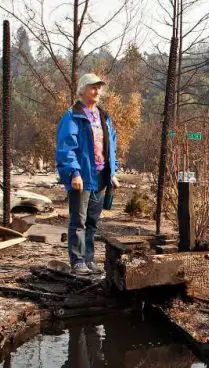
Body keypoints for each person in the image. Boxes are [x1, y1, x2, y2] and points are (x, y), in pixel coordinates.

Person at [56, 73, 119, 276]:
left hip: (101, 176)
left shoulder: (104, 116)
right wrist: (74, 172)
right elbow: (66, 148)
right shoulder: (72, 115)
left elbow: (111, 146)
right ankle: (78, 260)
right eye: (93, 87)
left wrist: (113, 172)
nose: (97, 91)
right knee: (78, 221)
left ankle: (89, 259)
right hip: (82, 176)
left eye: (99, 87)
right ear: (82, 90)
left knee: (92, 221)